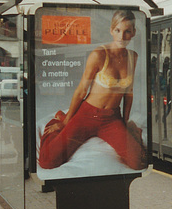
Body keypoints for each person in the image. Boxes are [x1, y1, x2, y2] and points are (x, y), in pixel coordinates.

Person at [38, 10, 145, 170]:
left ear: (133, 33)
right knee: (48, 161)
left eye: (127, 31)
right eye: (117, 30)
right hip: (87, 114)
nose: (122, 37)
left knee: (138, 162)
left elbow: (128, 93)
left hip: (111, 118)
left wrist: (124, 122)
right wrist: (66, 122)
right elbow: (81, 90)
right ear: (111, 30)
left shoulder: (132, 57)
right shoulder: (99, 55)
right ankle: (61, 117)